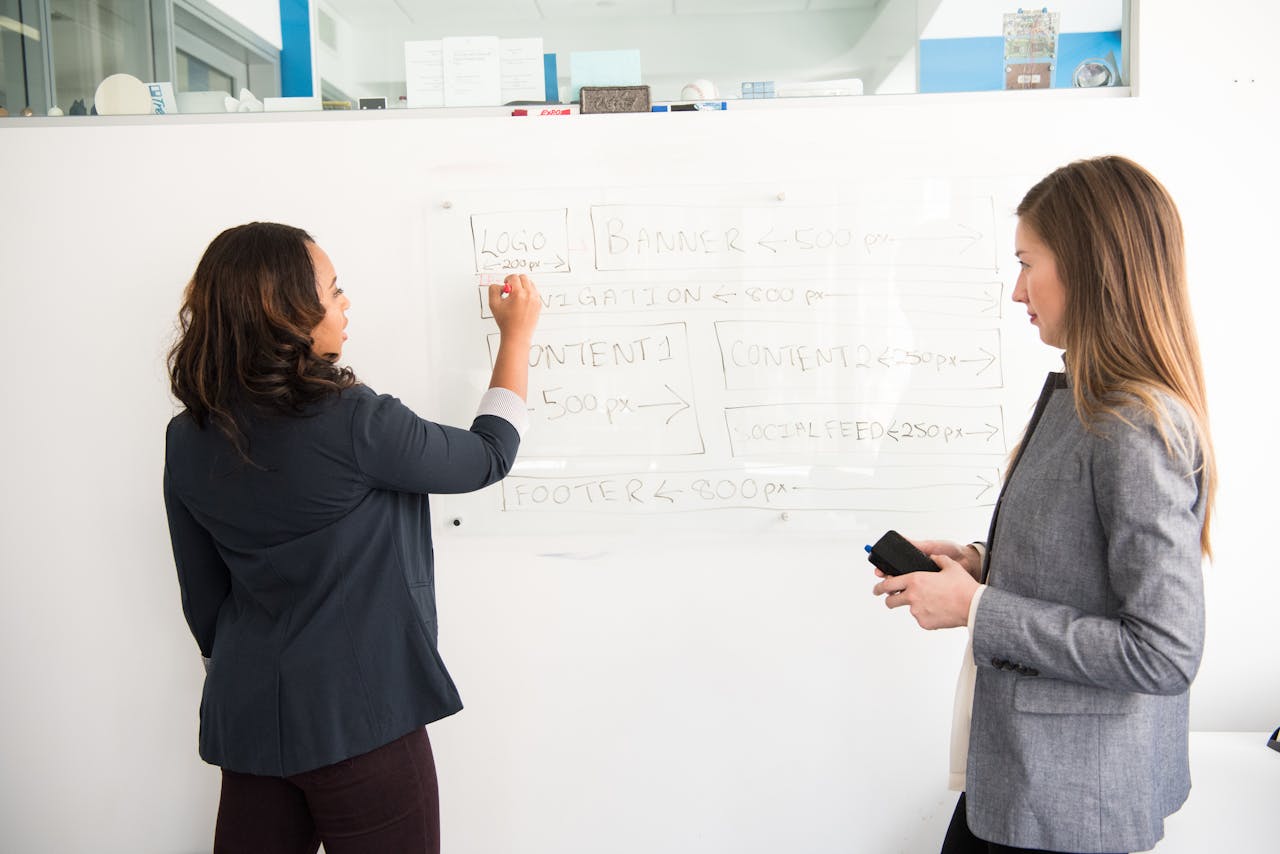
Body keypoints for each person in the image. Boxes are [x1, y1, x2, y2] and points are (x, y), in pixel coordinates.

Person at [871, 156, 1215, 854]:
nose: (1017, 290)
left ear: (1092, 267)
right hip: (1025, 781)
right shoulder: (1078, 400)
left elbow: (1164, 652)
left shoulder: (1135, 425)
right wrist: (977, 564)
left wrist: (974, 607)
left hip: (1069, 804)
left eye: (1029, 263)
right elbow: (1084, 559)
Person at [163, 222, 541, 854]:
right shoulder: (354, 422)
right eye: (334, 291)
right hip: (361, 723)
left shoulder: (188, 436)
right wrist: (517, 336)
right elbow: (487, 456)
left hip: (249, 718)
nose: (345, 305)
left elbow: (202, 597)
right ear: (286, 314)